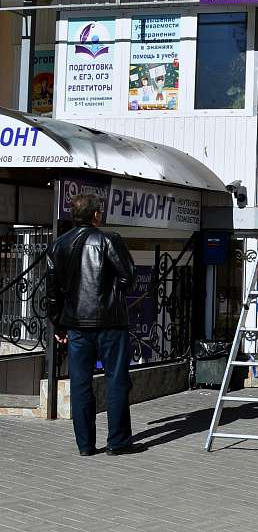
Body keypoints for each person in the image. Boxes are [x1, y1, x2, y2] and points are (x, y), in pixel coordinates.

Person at [46, 193, 139, 456]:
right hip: (110, 322)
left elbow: (52, 293)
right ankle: (118, 442)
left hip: (76, 324)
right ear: (95, 215)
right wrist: (113, 294)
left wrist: (58, 325)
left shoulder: (57, 246)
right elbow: (128, 275)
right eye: (100, 211)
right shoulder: (108, 240)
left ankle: (85, 445)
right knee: (116, 380)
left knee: (80, 384)